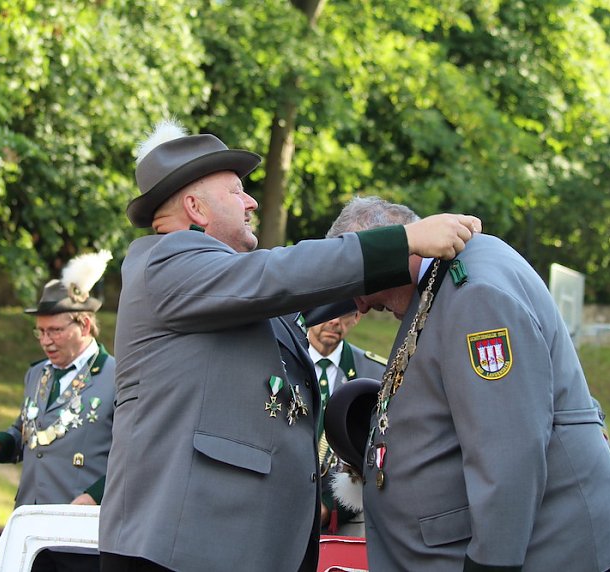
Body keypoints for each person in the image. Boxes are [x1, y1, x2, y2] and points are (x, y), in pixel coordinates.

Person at [98, 119, 481, 572]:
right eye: (237, 191)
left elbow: (295, 295)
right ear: (196, 208)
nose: (252, 201)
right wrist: (403, 243)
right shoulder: (164, 261)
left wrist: (389, 278)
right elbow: (278, 276)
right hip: (182, 550)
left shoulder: (221, 284)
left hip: (225, 547)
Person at [326, 197, 610, 571]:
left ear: (390, 253)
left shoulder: (475, 293)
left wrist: (493, 562)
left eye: (356, 282)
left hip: (545, 551)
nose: (358, 306)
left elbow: (509, 446)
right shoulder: (447, 278)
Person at [0, 251, 115, 572]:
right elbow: (26, 433)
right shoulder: (37, 374)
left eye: (54, 331)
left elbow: (132, 454)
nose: (45, 341)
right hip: (32, 528)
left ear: (84, 324)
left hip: (81, 530)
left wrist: (94, 497)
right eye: (40, 332)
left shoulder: (116, 376)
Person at [307, 311, 384, 536]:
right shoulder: (280, 361)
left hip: (346, 518)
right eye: (327, 311)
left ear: (358, 317)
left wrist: (330, 507)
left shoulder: (376, 373)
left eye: (345, 313)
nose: (334, 320)